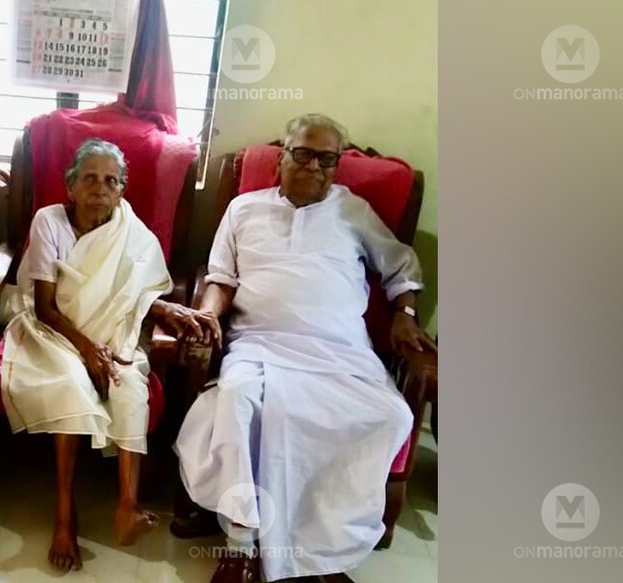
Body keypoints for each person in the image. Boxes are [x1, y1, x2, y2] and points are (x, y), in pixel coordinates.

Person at [173, 114, 437, 583]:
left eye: (327, 158)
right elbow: (220, 278)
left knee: (391, 416)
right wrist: (209, 315)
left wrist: (406, 313)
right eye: (304, 154)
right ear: (282, 158)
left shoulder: (351, 210)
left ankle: (321, 554)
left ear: (336, 165)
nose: (315, 166)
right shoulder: (243, 208)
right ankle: (240, 548)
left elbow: (399, 267)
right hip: (260, 343)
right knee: (236, 402)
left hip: (339, 351)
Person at [0, 139, 217, 571]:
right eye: (90, 179)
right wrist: (86, 349)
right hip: (52, 331)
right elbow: (44, 307)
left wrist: (163, 306)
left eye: (111, 181)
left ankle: (127, 504)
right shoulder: (50, 221)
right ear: (71, 186)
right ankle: (65, 512)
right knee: (70, 386)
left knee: (128, 382)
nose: (100, 188)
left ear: (121, 191)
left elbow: (135, 293)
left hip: (113, 334)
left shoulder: (132, 233)